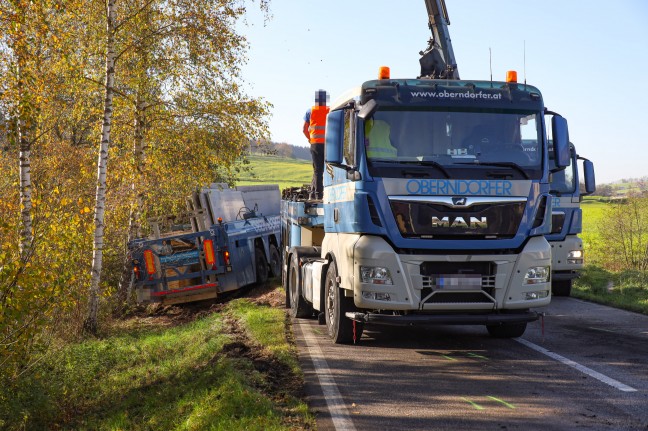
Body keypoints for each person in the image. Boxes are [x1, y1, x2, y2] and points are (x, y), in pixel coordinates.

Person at [303, 89, 329, 200]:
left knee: (317, 170)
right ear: (326, 100)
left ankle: (317, 194)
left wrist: (310, 139)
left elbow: (304, 129)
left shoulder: (310, 111)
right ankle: (313, 193)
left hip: (315, 145)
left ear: (316, 100)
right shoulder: (330, 110)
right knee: (324, 170)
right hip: (328, 145)